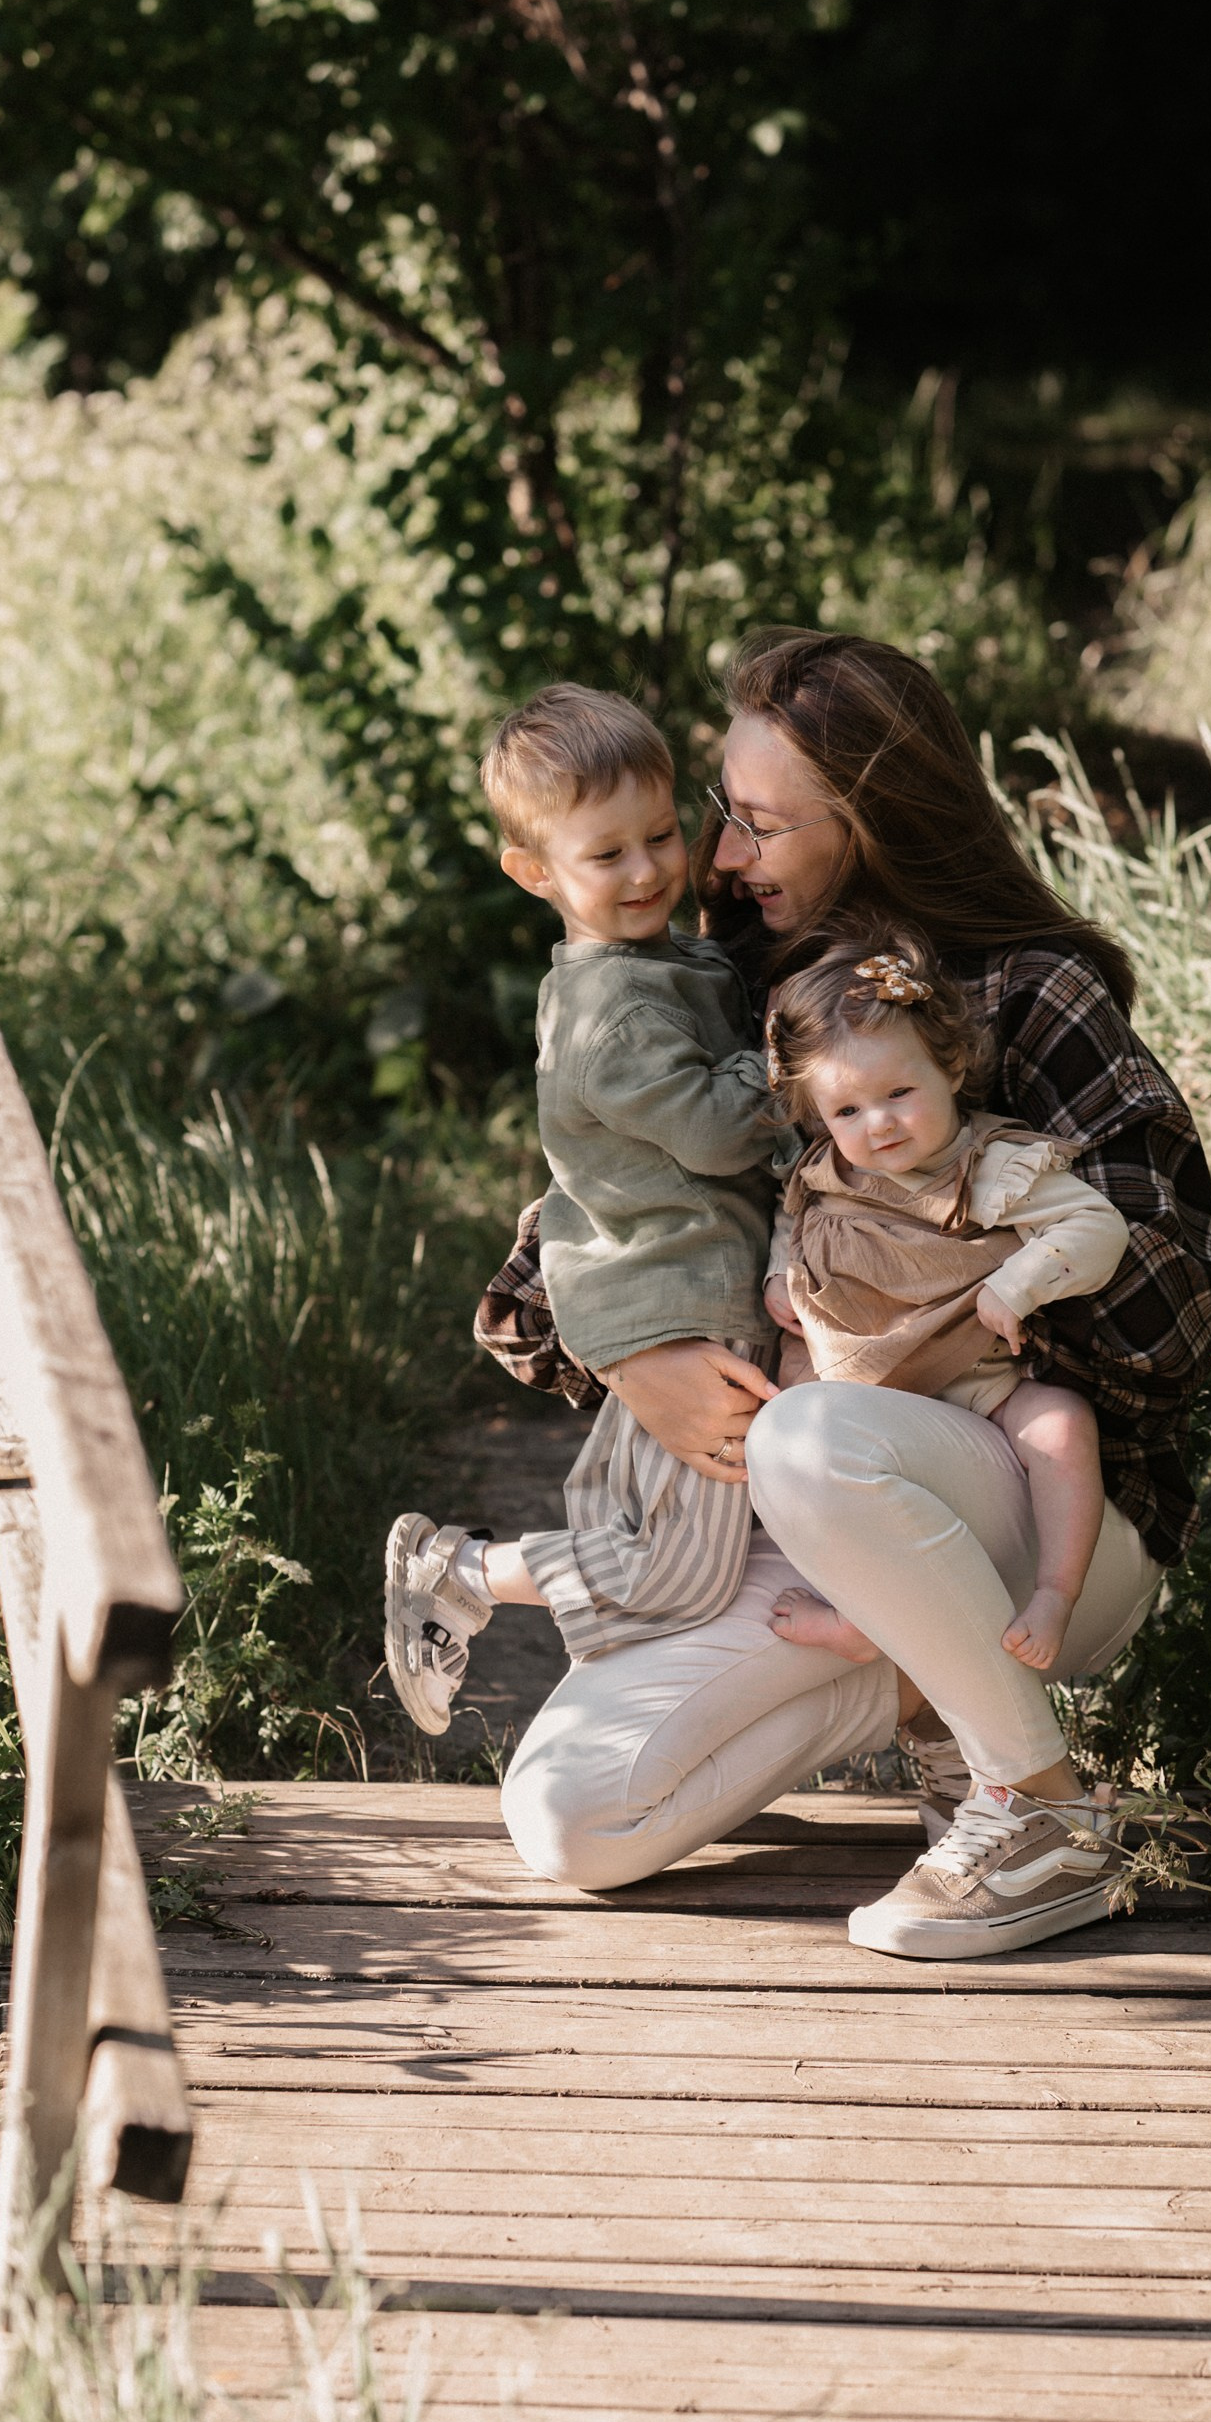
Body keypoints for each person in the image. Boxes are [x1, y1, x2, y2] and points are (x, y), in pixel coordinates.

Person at [473, 627, 1211, 1961]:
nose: (718, 859)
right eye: (721, 814)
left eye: (757, 824)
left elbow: (1184, 1318)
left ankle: (1040, 1811)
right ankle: (944, 1706)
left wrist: (944, 1256)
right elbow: (530, 1294)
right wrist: (631, 1352)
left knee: (808, 1435)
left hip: (1047, 1512)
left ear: (873, 817)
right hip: (821, 1521)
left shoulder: (1028, 992)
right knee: (571, 1820)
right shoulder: (735, 989)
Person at [382, 683, 793, 1734]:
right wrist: (793, 1058)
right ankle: (461, 1573)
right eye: (606, 854)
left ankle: (626, 1725)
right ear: (534, 872)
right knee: (677, 1571)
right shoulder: (612, 1012)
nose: (647, 870)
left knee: (651, 1534)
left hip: (681, 1283)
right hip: (681, 1305)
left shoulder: (665, 960)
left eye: (660, 836)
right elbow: (716, 1130)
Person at [760, 939, 1126, 1679]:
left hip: (979, 1389)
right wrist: (778, 1273)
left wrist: (1017, 1284)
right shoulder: (824, 1173)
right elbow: (791, 1219)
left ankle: (1055, 1593)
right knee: (790, 1445)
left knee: (1061, 1423)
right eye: (847, 1109)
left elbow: (1098, 1226)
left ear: (951, 1067)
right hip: (858, 1392)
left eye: (899, 1092)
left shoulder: (990, 1168)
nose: (878, 1125)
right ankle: (861, 1614)